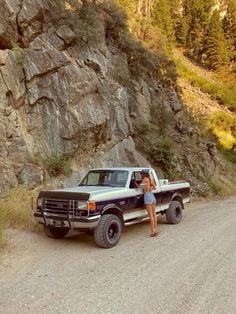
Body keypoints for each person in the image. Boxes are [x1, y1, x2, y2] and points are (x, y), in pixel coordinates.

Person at [140, 169, 158, 237]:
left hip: (147, 196)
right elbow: (155, 187)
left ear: (144, 174)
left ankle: (153, 231)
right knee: (154, 214)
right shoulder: (150, 179)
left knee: (150, 215)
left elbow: (141, 187)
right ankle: (156, 230)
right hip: (152, 196)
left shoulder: (145, 179)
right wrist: (150, 188)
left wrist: (135, 184)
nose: (141, 174)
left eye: (142, 173)